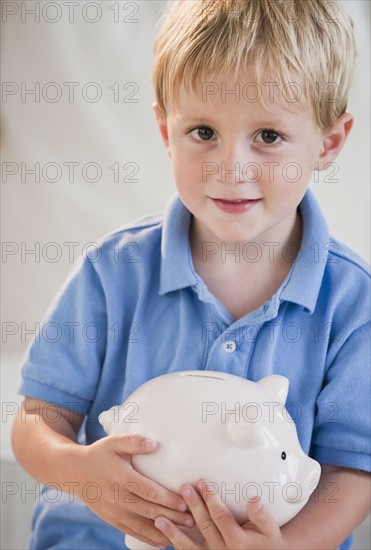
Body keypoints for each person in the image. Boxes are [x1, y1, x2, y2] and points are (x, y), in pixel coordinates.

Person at [12, 1, 370, 549]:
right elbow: (37, 420)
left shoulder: (352, 301)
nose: (231, 168)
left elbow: (353, 470)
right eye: (203, 131)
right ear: (165, 130)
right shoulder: (113, 272)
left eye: (268, 136)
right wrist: (82, 473)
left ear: (328, 143)